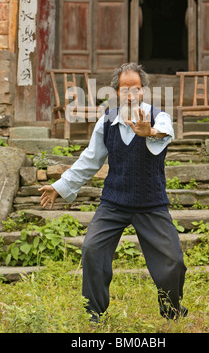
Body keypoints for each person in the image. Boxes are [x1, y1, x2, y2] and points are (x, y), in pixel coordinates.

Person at [39, 63, 187, 323]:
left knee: (172, 261)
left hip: (150, 203)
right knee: (92, 250)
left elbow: (166, 132)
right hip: (114, 203)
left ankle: (172, 310)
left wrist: (149, 131)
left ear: (143, 91)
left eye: (136, 89)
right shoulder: (107, 121)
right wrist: (58, 187)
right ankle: (95, 314)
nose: (130, 95)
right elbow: (89, 160)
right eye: (124, 89)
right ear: (117, 92)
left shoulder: (158, 116)